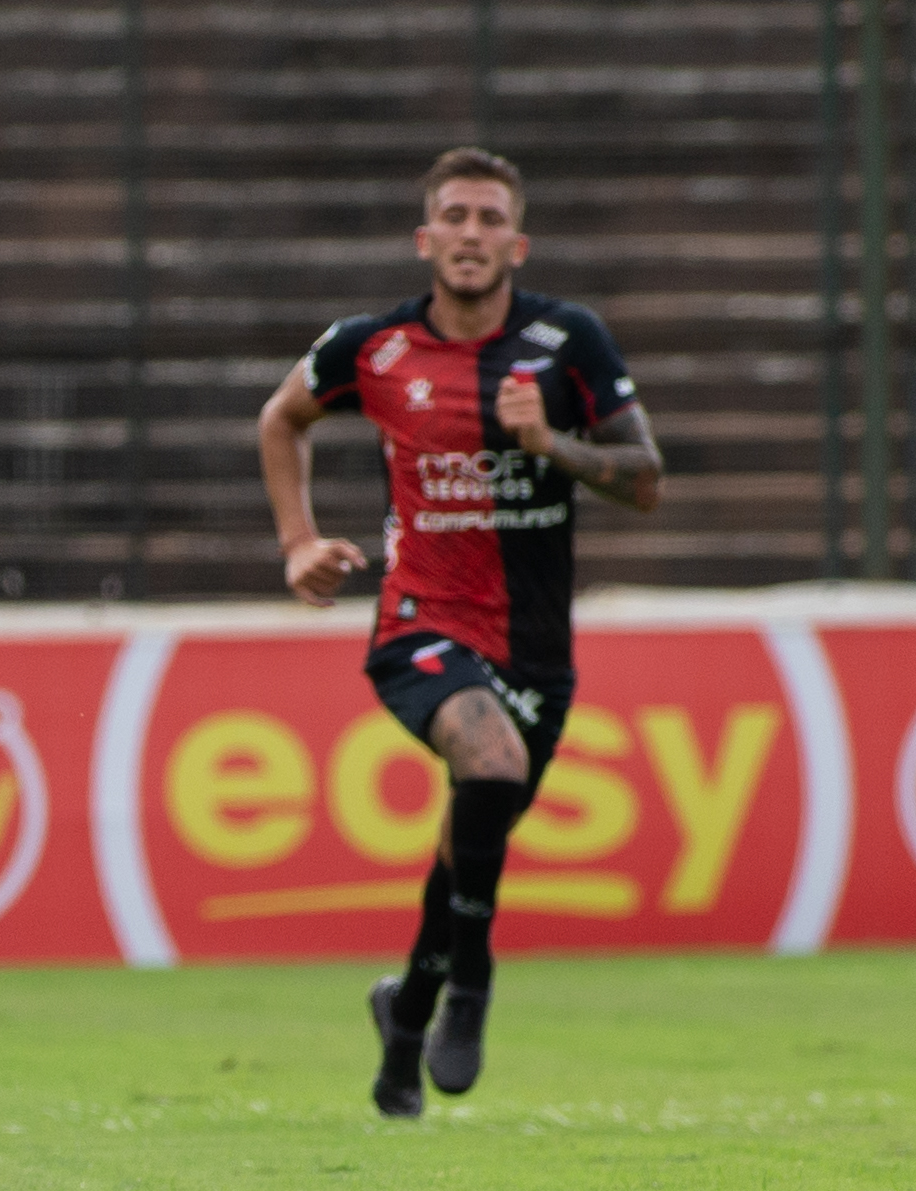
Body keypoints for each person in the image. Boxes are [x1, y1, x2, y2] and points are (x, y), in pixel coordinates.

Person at [257, 147, 662, 1119]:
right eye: (455, 215)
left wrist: (550, 444)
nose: (471, 233)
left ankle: (407, 1016)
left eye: (489, 218)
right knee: (486, 760)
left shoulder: (570, 341)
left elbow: (645, 477)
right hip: (418, 621)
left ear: (515, 242)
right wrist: (298, 540)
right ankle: (471, 992)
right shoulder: (373, 346)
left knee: (469, 836)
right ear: (425, 238)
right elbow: (283, 417)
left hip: (534, 649)